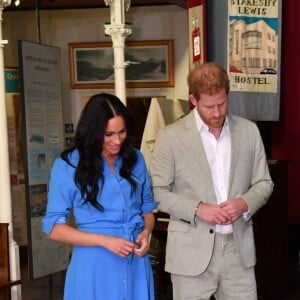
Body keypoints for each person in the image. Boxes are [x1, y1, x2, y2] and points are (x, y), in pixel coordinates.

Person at [150, 62, 274, 300]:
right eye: (209, 106)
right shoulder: (170, 137)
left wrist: (244, 203)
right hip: (189, 253)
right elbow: (157, 192)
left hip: (239, 252)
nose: (217, 113)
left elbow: (264, 183)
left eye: (222, 103)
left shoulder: (249, 131)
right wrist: (198, 209)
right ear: (193, 100)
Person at [42, 93, 157, 300]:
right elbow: (53, 228)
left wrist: (146, 233)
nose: (117, 141)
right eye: (108, 134)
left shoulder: (136, 159)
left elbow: (147, 211)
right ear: (92, 132)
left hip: (136, 265)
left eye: (121, 132)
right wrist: (105, 241)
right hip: (94, 265)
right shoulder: (69, 164)